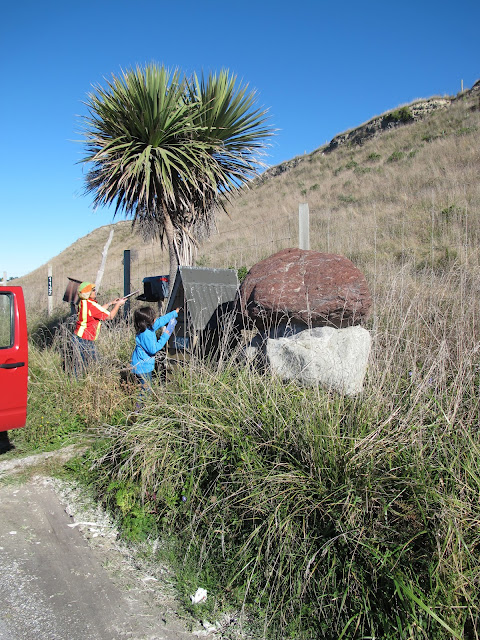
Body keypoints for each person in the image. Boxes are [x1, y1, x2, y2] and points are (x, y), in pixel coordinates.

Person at [72, 281, 126, 374]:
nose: (95, 291)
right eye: (93, 290)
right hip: (85, 339)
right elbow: (110, 316)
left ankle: (78, 380)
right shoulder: (91, 305)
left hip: (79, 336)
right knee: (92, 363)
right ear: (88, 293)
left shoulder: (84, 302)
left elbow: (98, 310)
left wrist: (111, 303)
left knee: (80, 365)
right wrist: (118, 305)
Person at [131, 305, 180, 408]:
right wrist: (166, 334)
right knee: (146, 390)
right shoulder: (146, 334)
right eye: (154, 317)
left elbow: (160, 321)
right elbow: (153, 349)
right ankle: (139, 410)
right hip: (143, 367)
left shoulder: (147, 328)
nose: (156, 318)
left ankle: (140, 407)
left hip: (141, 366)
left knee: (144, 388)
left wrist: (173, 313)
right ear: (148, 321)